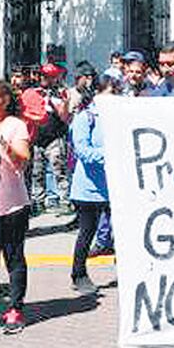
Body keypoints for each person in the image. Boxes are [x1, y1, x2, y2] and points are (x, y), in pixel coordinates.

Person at [0, 81, 31, 334]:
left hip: (13, 206)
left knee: (13, 258)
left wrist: (4, 145)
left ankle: (15, 308)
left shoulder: (16, 125)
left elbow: (22, 160)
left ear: (5, 101)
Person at [69, 74, 116, 295]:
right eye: (109, 94)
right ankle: (78, 274)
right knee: (87, 231)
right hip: (89, 188)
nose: (113, 98)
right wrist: (114, 155)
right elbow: (83, 152)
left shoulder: (117, 117)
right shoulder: (85, 117)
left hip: (114, 186)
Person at [22, 63, 71, 215]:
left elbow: (64, 116)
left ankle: (64, 200)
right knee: (37, 171)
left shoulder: (60, 94)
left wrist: (57, 100)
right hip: (37, 137)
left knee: (59, 169)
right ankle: (38, 201)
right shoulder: (32, 92)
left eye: (49, 77)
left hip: (55, 136)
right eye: (43, 76)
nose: (45, 79)